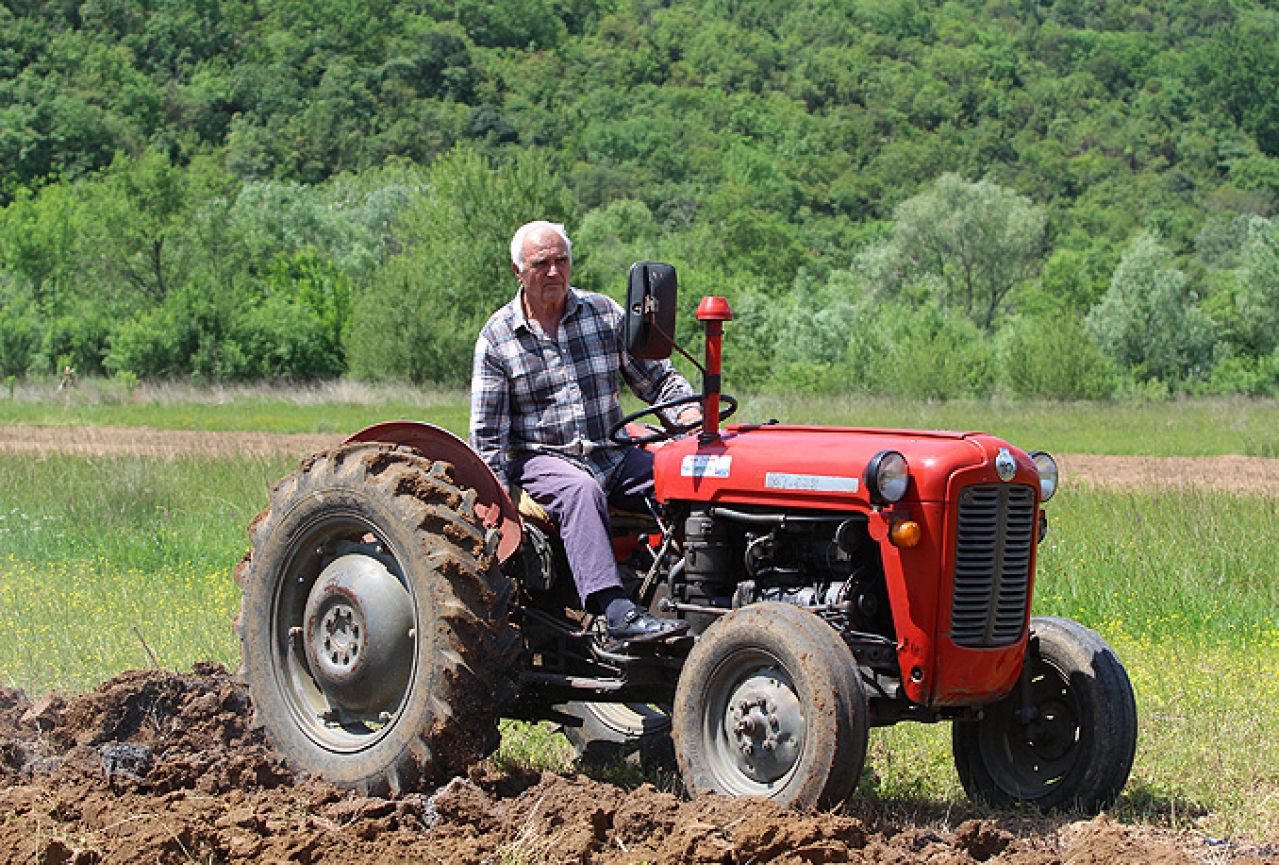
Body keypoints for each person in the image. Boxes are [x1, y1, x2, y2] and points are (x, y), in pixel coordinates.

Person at [470, 220, 697, 642]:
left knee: (684, 477)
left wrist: (689, 420)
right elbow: (488, 440)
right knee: (581, 490)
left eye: (561, 261)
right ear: (518, 272)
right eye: (542, 264)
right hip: (542, 460)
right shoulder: (498, 340)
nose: (554, 272)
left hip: (610, 451)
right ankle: (613, 610)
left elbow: (658, 382)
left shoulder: (604, 314)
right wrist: (497, 519)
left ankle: (694, 586)